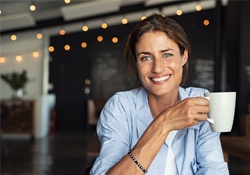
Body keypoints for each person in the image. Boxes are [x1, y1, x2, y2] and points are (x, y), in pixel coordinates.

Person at [90, 13, 229, 175]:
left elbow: (214, 170)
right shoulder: (120, 107)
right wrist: (163, 124)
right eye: (146, 57)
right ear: (136, 63)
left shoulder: (201, 101)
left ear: (184, 56)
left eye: (167, 54)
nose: (157, 68)